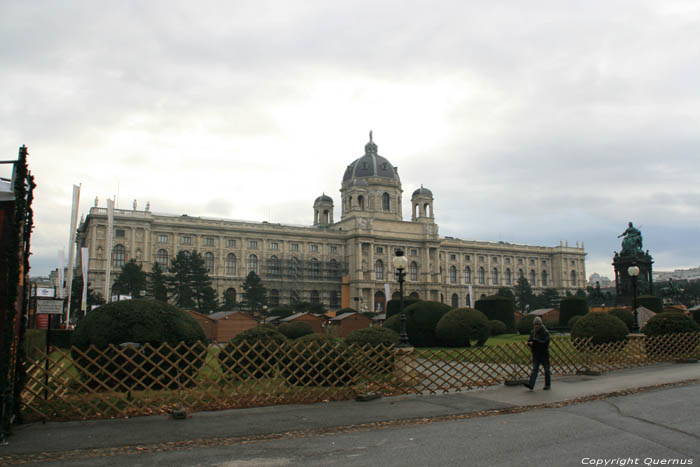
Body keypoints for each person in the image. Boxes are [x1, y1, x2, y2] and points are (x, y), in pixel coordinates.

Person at [524, 316, 551, 390]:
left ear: (540, 324)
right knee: (535, 369)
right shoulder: (532, 332)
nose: (536, 326)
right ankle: (531, 384)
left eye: (538, 324)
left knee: (547, 369)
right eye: (535, 324)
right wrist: (530, 343)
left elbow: (546, 342)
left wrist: (536, 341)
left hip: (544, 353)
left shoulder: (545, 332)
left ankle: (547, 385)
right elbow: (529, 340)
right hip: (536, 353)